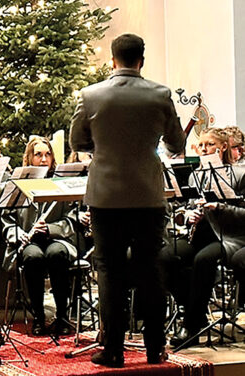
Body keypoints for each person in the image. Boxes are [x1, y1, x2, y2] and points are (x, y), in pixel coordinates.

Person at [70, 33, 186, 367]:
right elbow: (176, 145)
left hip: (106, 196)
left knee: (110, 271)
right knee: (149, 270)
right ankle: (154, 348)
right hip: (148, 195)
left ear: (112, 60)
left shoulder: (90, 95)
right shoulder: (160, 94)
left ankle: (114, 350)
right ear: (142, 61)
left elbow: (79, 140)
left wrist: (105, 152)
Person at [162, 127, 245, 348]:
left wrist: (219, 207)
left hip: (230, 236)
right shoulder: (195, 174)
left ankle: (190, 326)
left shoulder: (239, 173)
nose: (204, 149)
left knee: (203, 260)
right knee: (165, 258)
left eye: (209, 145)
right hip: (202, 234)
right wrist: (188, 214)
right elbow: (183, 210)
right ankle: (195, 312)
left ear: (223, 147)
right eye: (201, 145)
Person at [1, 136, 77, 335]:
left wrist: (51, 228)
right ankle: (38, 317)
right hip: (28, 240)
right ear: (29, 158)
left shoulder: (60, 182)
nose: (44, 159)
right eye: (38, 155)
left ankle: (62, 316)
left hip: (56, 238)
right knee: (33, 257)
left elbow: (71, 217)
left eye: (47, 154)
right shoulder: (18, 183)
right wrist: (18, 235)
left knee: (56, 254)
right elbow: (7, 219)